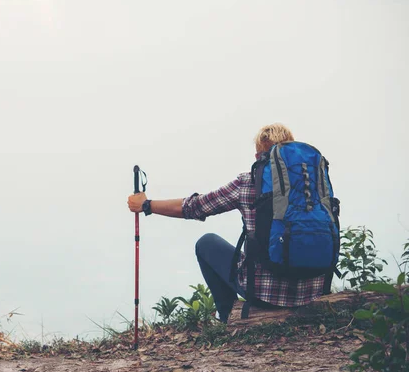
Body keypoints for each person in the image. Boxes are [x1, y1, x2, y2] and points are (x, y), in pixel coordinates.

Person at [127, 123, 328, 323]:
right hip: (312, 290)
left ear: (260, 155)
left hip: (266, 294)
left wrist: (147, 205)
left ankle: (227, 318)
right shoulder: (316, 183)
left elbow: (194, 207)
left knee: (207, 243)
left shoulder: (248, 183)